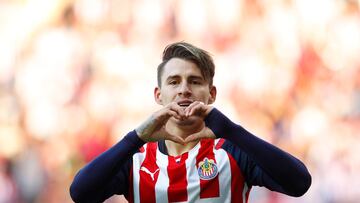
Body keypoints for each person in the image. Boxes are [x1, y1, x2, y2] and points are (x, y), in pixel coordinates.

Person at [69, 42, 311, 203]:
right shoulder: (136, 158)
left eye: (195, 81)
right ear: (158, 95)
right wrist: (135, 138)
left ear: (212, 94)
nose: (184, 90)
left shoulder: (231, 151)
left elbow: (299, 183)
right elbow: (80, 193)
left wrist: (230, 131)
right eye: (174, 82)